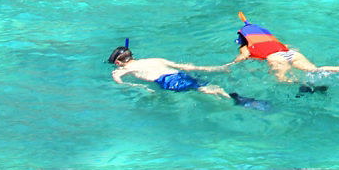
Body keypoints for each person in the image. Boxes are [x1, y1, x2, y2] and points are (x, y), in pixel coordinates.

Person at [108, 41, 265, 108]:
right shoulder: (154, 59)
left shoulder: (122, 70)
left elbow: (121, 83)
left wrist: (144, 89)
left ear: (118, 62)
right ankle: (236, 98)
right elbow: (185, 66)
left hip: (168, 81)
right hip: (178, 74)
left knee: (201, 89)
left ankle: (239, 101)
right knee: (202, 86)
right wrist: (216, 68)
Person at [233, 12, 339, 87]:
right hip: (292, 54)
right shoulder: (272, 40)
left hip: (275, 58)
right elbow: (291, 47)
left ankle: (307, 85)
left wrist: (232, 64)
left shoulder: (245, 46)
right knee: (314, 70)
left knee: (281, 80)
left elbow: (243, 56)